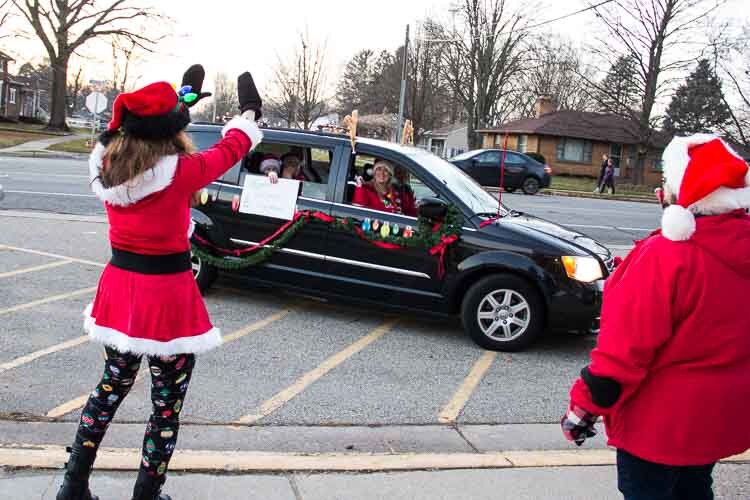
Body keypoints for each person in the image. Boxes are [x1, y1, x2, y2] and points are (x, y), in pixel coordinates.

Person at [56, 68, 263, 500]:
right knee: (165, 407)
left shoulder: (107, 166)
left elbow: (141, 128)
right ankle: (146, 494)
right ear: (171, 131)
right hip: (167, 302)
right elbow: (233, 146)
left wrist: (180, 102)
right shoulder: (181, 171)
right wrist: (248, 111)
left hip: (119, 294)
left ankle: (72, 486)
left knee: (108, 391)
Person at [561, 134, 750, 500]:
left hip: (659, 423)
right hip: (717, 417)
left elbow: (622, 354)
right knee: (695, 488)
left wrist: (584, 408)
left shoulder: (667, 256)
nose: (660, 191)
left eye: (666, 182)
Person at [352, 159, 416, 216]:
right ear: (374, 173)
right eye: (379, 169)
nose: (382, 173)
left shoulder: (394, 191)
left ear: (390, 175)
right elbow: (358, 214)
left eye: (386, 170)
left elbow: (407, 211)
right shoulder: (365, 189)